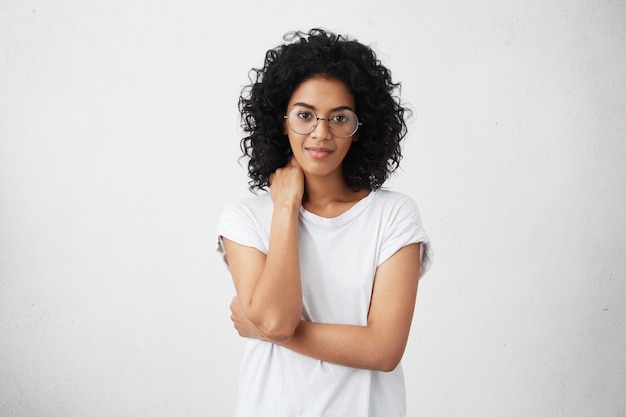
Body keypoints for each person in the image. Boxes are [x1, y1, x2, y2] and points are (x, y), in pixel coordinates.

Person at [217, 28, 433, 417]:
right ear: (282, 121)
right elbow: (276, 319)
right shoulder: (245, 218)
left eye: (339, 117)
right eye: (305, 115)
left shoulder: (393, 216)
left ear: (359, 128)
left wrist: (264, 329)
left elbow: (384, 350)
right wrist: (284, 208)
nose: (321, 132)